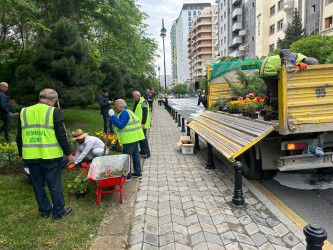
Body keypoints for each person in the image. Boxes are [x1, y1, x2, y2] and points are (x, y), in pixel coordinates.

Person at [16, 88, 74, 220]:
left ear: (40, 97)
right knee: (54, 184)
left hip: (30, 156)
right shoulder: (54, 111)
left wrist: (21, 152)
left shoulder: (24, 111)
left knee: (38, 185)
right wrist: (69, 153)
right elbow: (61, 135)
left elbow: (19, 135)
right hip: (50, 156)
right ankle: (58, 212)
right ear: (53, 100)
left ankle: (45, 210)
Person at [109, 99, 145, 180]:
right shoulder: (128, 111)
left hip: (129, 139)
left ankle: (127, 176)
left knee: (126, 157)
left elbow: (120, 125)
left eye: (115, 107)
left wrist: (113, 116)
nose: (115, 109)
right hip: (135, 137)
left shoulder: (124, 113)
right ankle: (138, 172)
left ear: (120, 107)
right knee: (135, 155)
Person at [132, 91, 151, 159]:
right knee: (140, 138)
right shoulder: (138, 102)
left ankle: (147, 152)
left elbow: (145, 113)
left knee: (143, 138)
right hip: (138, 124)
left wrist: (143, 123)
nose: (133, 99)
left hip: (142, 124)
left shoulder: (143, 102)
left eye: (134, 97)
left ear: (138, 95)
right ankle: (143, 151)